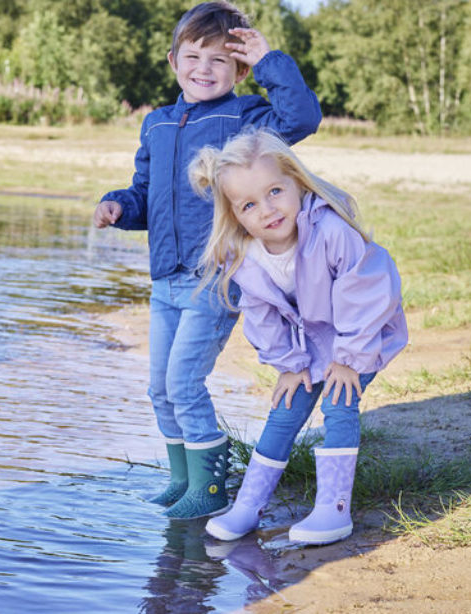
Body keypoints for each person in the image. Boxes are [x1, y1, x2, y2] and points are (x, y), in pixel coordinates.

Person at [92, 1, 322, 519]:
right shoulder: (156, 124)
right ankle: (182, 478)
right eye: (193, 56)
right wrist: (118, 206)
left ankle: (211, 489)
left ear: (239, 69)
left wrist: (269, 61)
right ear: (173, 61)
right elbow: (145, 194)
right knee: (159, 388)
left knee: (183, 383)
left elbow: (302, 117)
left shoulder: (245, 120)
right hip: (165, 281)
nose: (203, 68)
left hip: (215, 279)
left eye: (219, 60)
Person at [188, 127, 407, 544]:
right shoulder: (247, 256)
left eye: (275, 192)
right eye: (250, 204)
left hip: (359, 332)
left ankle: (333, 509)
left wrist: (348, 359)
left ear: (296, 182)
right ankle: (249, 506)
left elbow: (364, 294)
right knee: (285, 409)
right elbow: (262, 314)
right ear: (235, 214)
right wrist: (288, 366)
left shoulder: (330, 231)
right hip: (308, 340)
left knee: (340, 402)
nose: (267, 210)